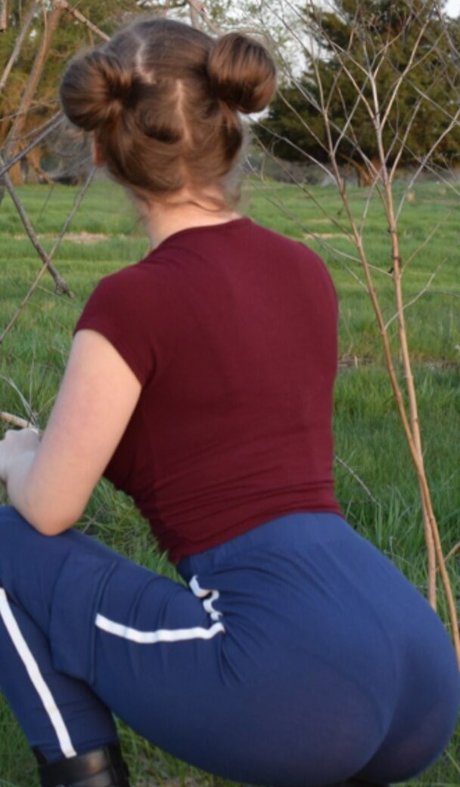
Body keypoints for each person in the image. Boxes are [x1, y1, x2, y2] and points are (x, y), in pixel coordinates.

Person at [0, 15, 458, 787]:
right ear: (231, 128)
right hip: (417, 659)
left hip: (292, 676)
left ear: (103, 148)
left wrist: (19, 456)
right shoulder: (305, 271)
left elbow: (49, 508)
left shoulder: (133, 302)